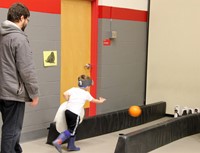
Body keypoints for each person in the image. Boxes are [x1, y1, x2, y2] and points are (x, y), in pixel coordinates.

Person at [0, 3, 39, 153]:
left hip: (2, 91)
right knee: (12, 129)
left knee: (10, 127)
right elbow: (27, 70)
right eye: (27, 20)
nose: (27, 23)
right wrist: (34, 93)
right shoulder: (19, 39)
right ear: (21, 18)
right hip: (12, 93)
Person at [53, 74, 106, 152]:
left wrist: (68, 100)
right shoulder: (86, 94)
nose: (89, 87)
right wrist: (100, 101)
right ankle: (58, 141)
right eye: (89, 86)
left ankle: (71, 146)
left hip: (67, 111)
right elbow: (94, 100)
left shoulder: (73, 89)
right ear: (87, 86)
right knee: (71, 130)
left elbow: (65, 94)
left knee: (72, 129)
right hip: (75, 114)